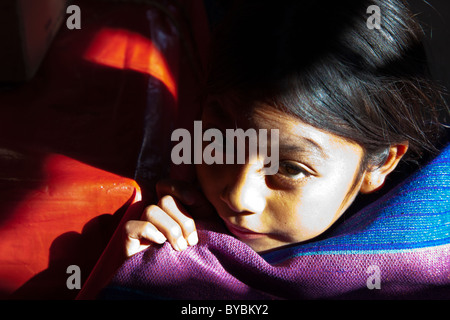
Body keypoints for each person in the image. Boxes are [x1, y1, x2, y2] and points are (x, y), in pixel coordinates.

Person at [123, 0, 448, 256]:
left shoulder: (418, 278)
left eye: (291, 168)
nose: (238, 196)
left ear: (381, 163)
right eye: (221, 142)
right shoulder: (170, 221)